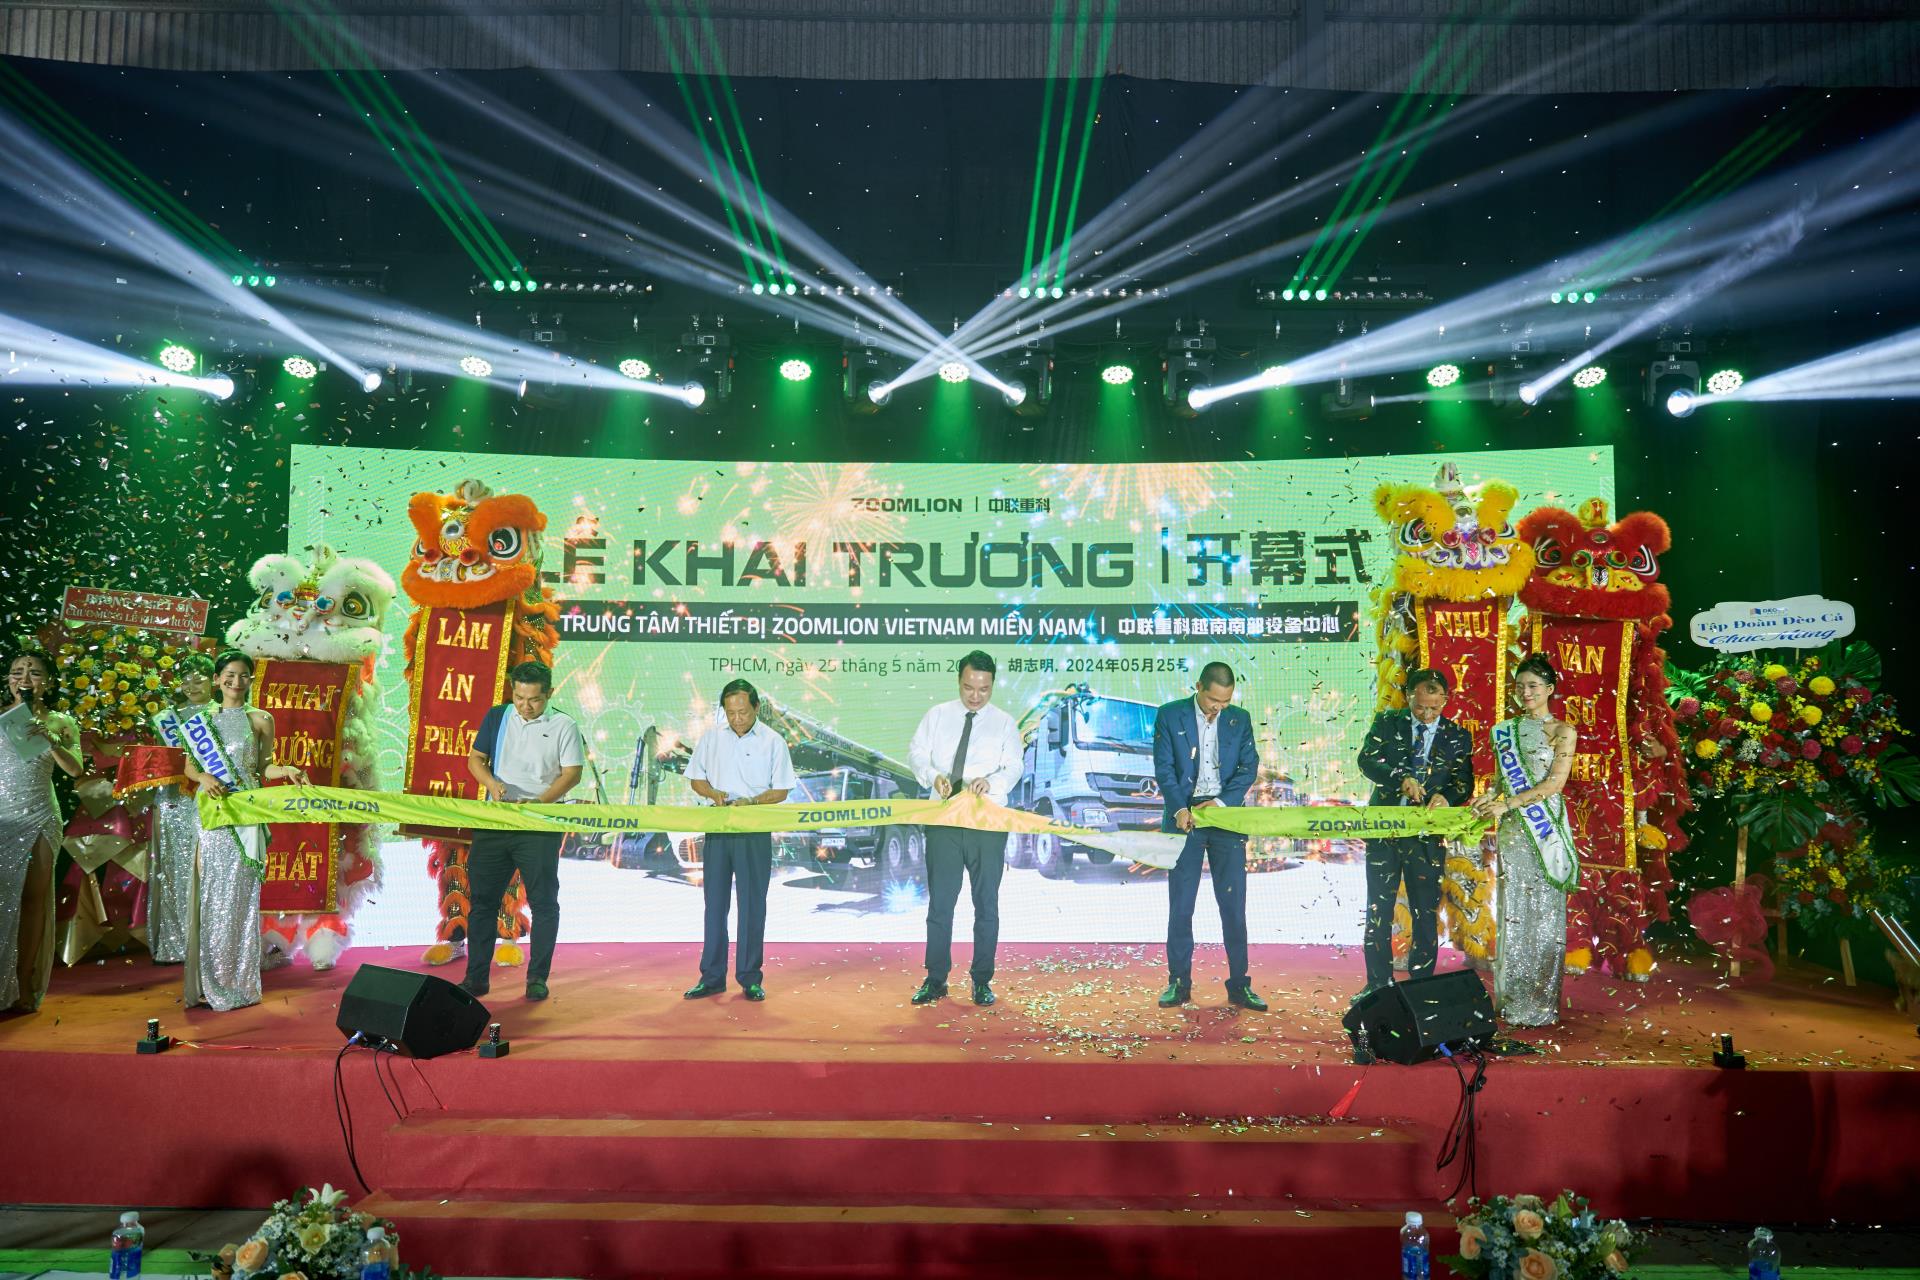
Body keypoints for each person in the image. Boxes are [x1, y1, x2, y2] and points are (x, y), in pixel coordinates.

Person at [181, 650, 309, 1011]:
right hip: (213, 814)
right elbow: (189, 766)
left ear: (251, 679)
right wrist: (203, 777)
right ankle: (211, 982)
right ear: (217, 679)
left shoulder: (261, 719)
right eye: (229, 675)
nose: (236, 682)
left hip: (247, 814)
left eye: (243, 676)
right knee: (212, 896)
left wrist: (286, 770)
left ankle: (239, 983)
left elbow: (264, 768)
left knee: (241, 897)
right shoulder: (200, 722)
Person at [906, 650, 1023, 1007]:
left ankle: (982, 980)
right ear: (959, 681)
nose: (976, 696)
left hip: (986, 823)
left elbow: (1014, 766)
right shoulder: (937, 715)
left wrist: (992, 782)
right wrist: (933, 776)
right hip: (944, 819)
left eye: (984, 689)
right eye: (969, 687)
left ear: (993, 685)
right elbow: (916, 753)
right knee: (941, 903)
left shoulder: (1004, 723)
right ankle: (935, 979)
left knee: (986, 903)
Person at [463, 661, 585, 1002]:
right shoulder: (497, 717)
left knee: (543, 903)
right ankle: (476, 979)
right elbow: (475, 759)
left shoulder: (564, 725)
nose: (525, 706)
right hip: (496, 821)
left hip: (538, 825)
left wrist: (540, 803)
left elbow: (572, 773)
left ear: (549, 693)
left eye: (534, 699)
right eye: (519, 697)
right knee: (482, 902)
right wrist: (492, 785)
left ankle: (537, 978)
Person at [1471, 654, 1579, 1028]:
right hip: (1514, 831)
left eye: (1533, 685)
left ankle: (1541, 1003)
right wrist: (1488, 798)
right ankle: (1512, 998)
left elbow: (1555, 784)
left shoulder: (1564, 731)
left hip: (1545, 827)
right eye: (1520, 686)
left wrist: (1507, 804)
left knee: (1545, 913)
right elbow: (1501, 782)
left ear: (1550, 689)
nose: (1526, 692)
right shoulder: (1504, 731)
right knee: (1514, 910)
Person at [1355, 668, 1476, 994]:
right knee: (1378, 909)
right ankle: (1377, 985)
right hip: (1384, 831)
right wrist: (1399, 780)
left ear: (1445, 700)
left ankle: (1420, 988)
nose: (1426, 714)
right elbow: (1367, 761)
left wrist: (1446, 797)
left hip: (1426, 837)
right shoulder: (1387, 722)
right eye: (1420, 707)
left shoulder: (1457, 735)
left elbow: (1464, 782)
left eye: (1434, 708)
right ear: (1408, 696)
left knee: (1425, 912)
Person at [1151, 662, 1264, 1010]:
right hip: (1185, 818)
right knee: (1181, 905)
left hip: (1225, 818)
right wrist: (1179, 808)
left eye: (1226, 702)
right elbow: (1164, 768)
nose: (1219, 708)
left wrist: (1221, 803)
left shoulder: (1239, 719)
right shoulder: (1169, 715)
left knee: (1234, 906)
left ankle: (1239, 984)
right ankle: (1178, 982)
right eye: (1214, 701)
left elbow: (1248, 767)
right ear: (1198, 687)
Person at [683, 679, 795, 1002]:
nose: (737, 719)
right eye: (731, 713)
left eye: (743, 712)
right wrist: (713, 793)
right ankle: (712, 977)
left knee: (752, 905)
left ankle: (749, 978)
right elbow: (696, 779)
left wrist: (753, 802)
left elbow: (782, 789)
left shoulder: (773, 741)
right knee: (714, 905)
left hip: (754, 830)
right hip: (719, 828)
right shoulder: (711, 737)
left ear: (756, 707)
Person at [2, 647, 84, 1013]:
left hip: (40, 815)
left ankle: (23, 981)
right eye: (17, 672)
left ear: (48, 682)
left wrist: (51, 739)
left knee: (32, 900)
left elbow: (75, 769)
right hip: (3, 816)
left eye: (34, 672)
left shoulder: (61, 721)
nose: (24, 678)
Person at [147, 653, 215, 965]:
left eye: (199, 678)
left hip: (211, 796)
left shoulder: (223, 713)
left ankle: (210, 939)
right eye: (186, 679)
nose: (192, 685)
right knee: (174, 868)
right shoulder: (166, 719)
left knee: (211, 867)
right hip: (174, 798)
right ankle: (175, 942)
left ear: (214, 680)